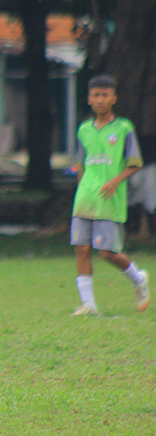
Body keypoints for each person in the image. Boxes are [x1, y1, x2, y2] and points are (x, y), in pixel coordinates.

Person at [70, 74, 149, 316]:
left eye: (105, 95)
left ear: (114, 98)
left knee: (107, 252)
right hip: (85, 197)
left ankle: (138, 279)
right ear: (89, 99)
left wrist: (115, 181)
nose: (100, 99)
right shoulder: (84, 129)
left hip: (109, 198)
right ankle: (89, 305)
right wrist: (80, 183)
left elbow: (135, 163)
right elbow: (80, 164)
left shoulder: (123, 128)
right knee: (81, 249)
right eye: (96, 95)